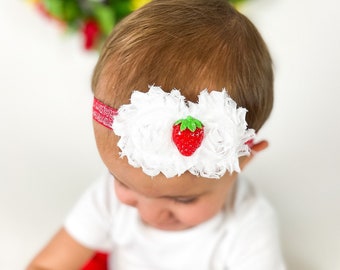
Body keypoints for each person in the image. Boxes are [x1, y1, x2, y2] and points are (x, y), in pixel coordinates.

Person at [28, 0, 285, 269]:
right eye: (124, 184)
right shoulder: (107, 196)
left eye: (183, 199)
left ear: (244, 159)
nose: (150, 214)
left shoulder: (248, 224)